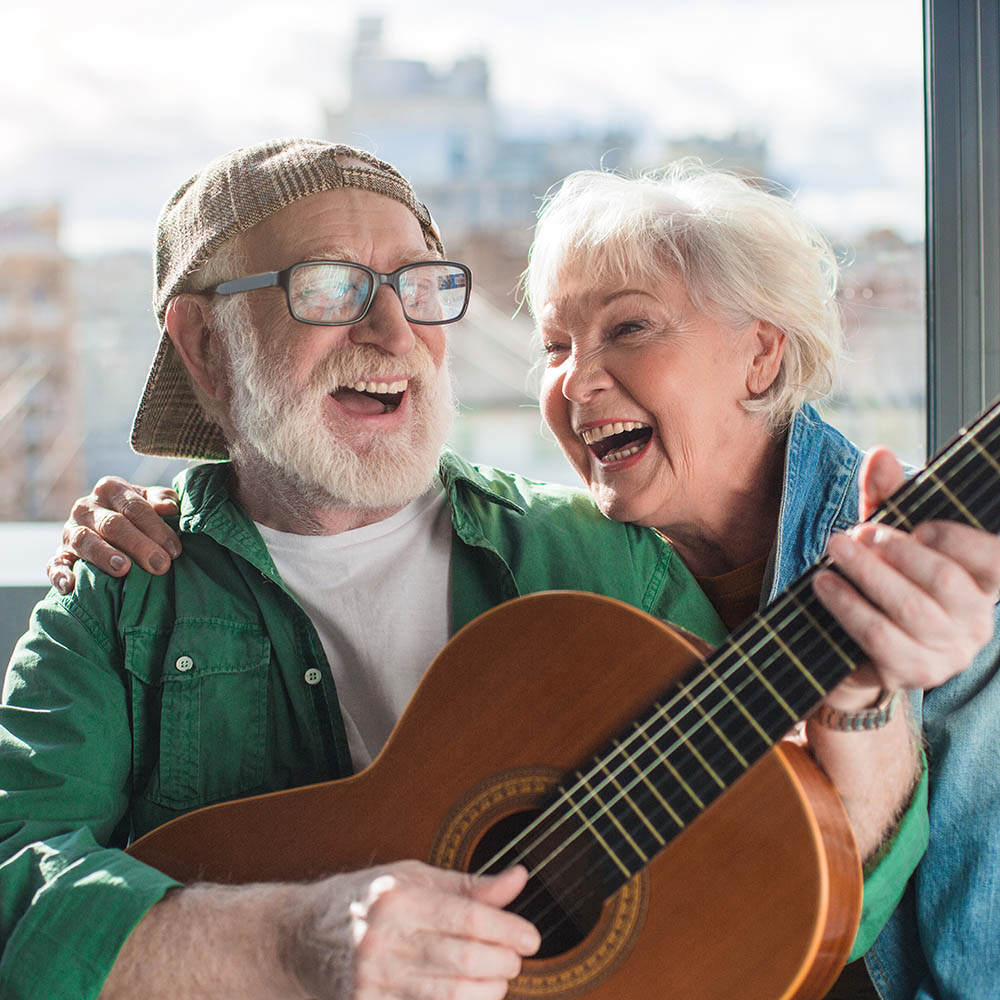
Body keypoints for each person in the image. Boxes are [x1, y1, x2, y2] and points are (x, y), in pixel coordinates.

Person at [10, 141, 996, 1000]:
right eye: (329, 286)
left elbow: (810, 897)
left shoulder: (601, 560)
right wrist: (288, 942)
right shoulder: (118, 584)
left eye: (418, 285)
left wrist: (860, 697)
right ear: (205, 346)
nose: (391, 332)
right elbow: (13, 875)